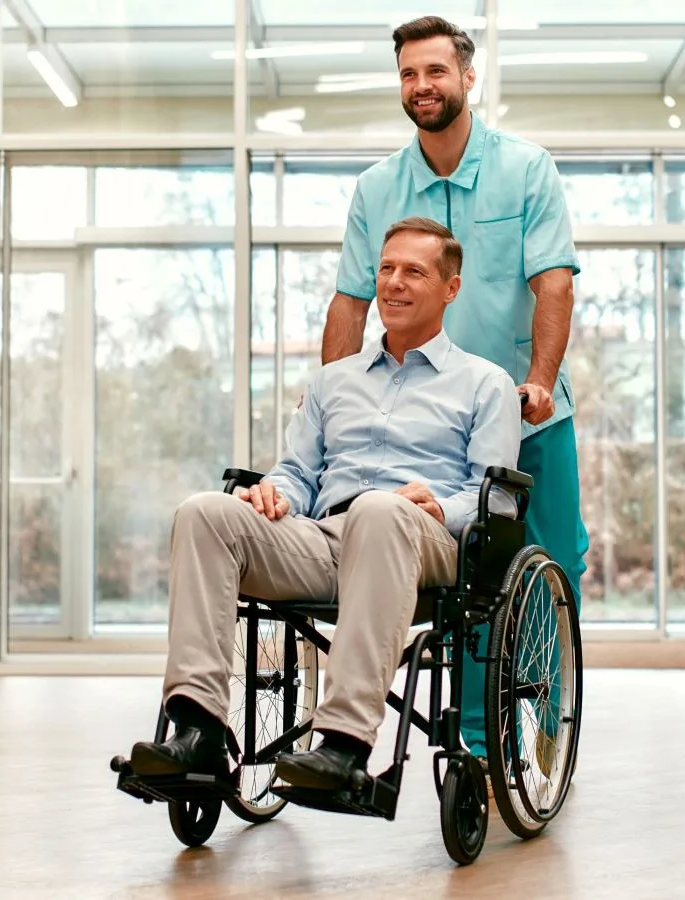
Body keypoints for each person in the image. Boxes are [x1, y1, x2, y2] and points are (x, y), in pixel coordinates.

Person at [128, 217, 521, 791]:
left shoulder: (485, 383)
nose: (394, 283)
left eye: (414, 271)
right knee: (205, 511)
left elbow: (497, 497)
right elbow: (298, 474)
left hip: (424, 543)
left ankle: (343, 746)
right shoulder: (332, 382)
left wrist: (437, 505)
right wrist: (273, 493)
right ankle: (198, 730)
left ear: (450, 288)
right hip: (327, 539)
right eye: (386, 269)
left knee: (381, 511)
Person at [321, 15, 588, 772]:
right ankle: (475, 737)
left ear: (469, 78)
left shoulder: (526, 169)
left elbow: (553, 282)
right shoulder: (379, 188)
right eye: (409, 74)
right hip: (428, 427)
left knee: (553, 564)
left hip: (528, 417)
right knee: (474, 578)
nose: (422, 86)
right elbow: (349, 300)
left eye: (436, 71)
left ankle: (545, 707)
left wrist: (537, 380)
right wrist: (330, 402)